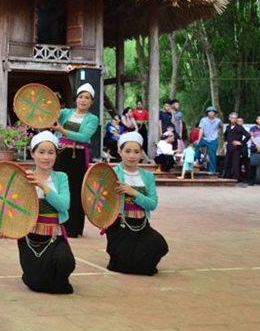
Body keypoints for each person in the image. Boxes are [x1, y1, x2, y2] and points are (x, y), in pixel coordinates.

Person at [10, 131, 74, 294]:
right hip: (30, 238)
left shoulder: (61, 178)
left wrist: (43, 186)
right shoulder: (24, 178)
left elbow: (64, 205)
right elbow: (14, 210)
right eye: (41, 152)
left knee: (65, 262)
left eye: (51, 152)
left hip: (54, 236)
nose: (46, 157)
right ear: (32, 153)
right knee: (37, 283)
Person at [106, 131, 168, 275]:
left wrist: (133, 193)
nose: (132, 156)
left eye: (136, 152)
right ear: (120, 152)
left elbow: (152, 204)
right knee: (122, 264)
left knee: (160, 246)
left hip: (141, 224)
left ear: (141, 154)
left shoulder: (148, 176)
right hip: (119, 225)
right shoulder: (111, 173)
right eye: (127, 151)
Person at [51, 83, 99, 238]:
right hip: (61, 154)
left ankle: (74, 228)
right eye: (81, 97)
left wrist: (62, 131)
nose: (83, 100)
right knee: (59, 189)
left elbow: (84, 137)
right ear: (76, 99)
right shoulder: (65, 113)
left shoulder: (92, 119)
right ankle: (57, 225)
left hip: (77, 157)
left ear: (92, 102)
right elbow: (49, 114)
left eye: (87, 98)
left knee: (76, 190)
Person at [222, 112, 250, 185]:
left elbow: (248, 135)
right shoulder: (228, 127)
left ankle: (235, 179)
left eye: (235, 118)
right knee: (227, 163)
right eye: (232, 118)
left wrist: (241, 143)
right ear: (229, 119)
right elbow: (225, 135)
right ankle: (226, 177)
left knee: (236, 164)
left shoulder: (239, 127)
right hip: (229, 148)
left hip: (236, 148)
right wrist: (225, 141)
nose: (233, 119)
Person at [197, 106, 223, 174]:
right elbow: (201, 129)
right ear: (207, 113)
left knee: (212, 156)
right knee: (195, 145)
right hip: (205, 139)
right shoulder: (203, 120)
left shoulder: (218, 121)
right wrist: (198, 140)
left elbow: (220, 127)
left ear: (215, 113)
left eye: (213, 112)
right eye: (210, 112)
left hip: (213, 140)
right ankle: (196, 162)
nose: (211, 113)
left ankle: (212, 171)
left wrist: (216, 133)